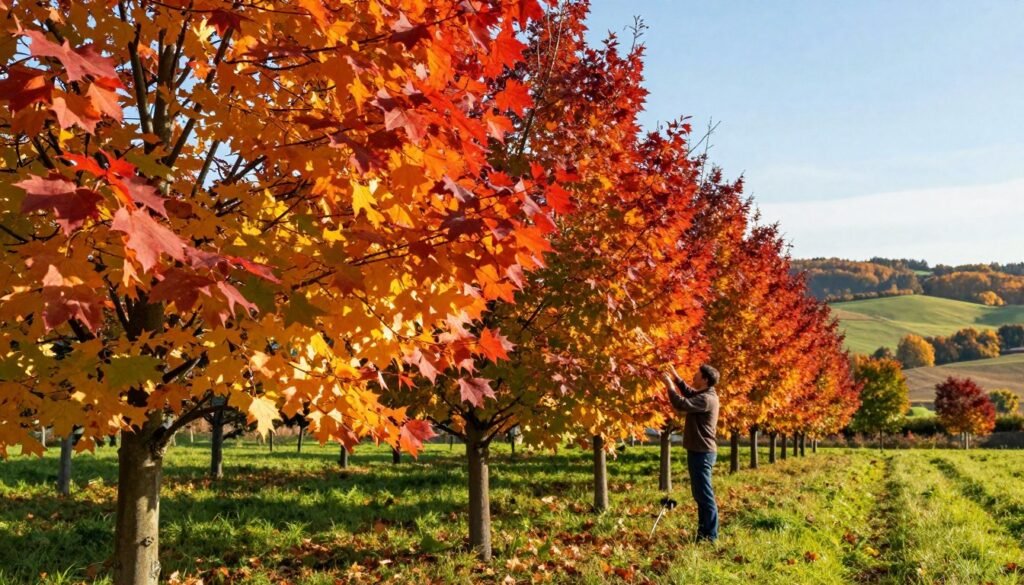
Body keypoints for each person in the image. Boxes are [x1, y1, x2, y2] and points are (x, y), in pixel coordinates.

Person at [661, 363, 720, 542]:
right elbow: (689, 393)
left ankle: (710, 537)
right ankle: (703, 534)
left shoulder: (707, 399)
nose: (693, 376)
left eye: (697, 374)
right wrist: (676, 377)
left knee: (705, 495)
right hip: (699, 451)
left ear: (705, 379)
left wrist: (669, 385)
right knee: (700, 495)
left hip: (702, 453)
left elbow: (681, 404)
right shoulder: (705, 395)